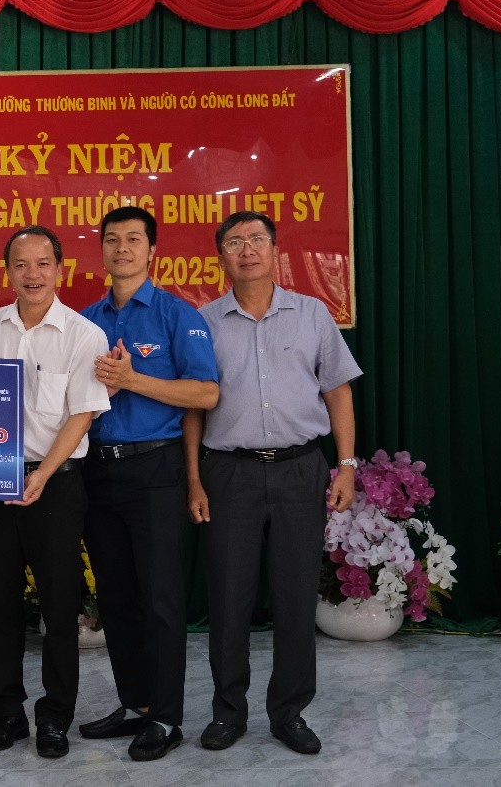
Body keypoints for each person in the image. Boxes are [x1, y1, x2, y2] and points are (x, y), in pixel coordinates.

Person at [185, 211, 361, 756]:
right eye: (235, 242)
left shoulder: (312, 314)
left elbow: (338, 392)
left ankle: (290, 713)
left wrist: (347, 465)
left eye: (257, 239)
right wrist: (193, 479)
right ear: (220, 256)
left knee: (295, 596)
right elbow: (193, 409)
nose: (247, 250)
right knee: (228, 598)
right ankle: (228, 712)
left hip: (299, 470)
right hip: (228, 473)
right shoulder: (203, 322)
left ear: (275, 249)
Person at [77, 206, 219, 762]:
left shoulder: (176, 314)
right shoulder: (85, 321)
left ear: (152, 250)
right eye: (112, 239)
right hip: (98, 469)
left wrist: (134, 379)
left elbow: (205, 393)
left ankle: (165, 716)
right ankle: (134, 703)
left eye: (134, 239)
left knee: (160, 597)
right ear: (101, 250)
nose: (122, 249)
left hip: (155, 468)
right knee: (116, 596)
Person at [0, 225, 110, 759]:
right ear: (7, 272)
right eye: (21, 264)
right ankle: (5, 713)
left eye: (43, 263)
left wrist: (42, 475)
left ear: (60, 270)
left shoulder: (83, 335)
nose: (33, 274)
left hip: (57, 484)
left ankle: (55, 717)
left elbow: (82, 415)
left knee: (60, 605)